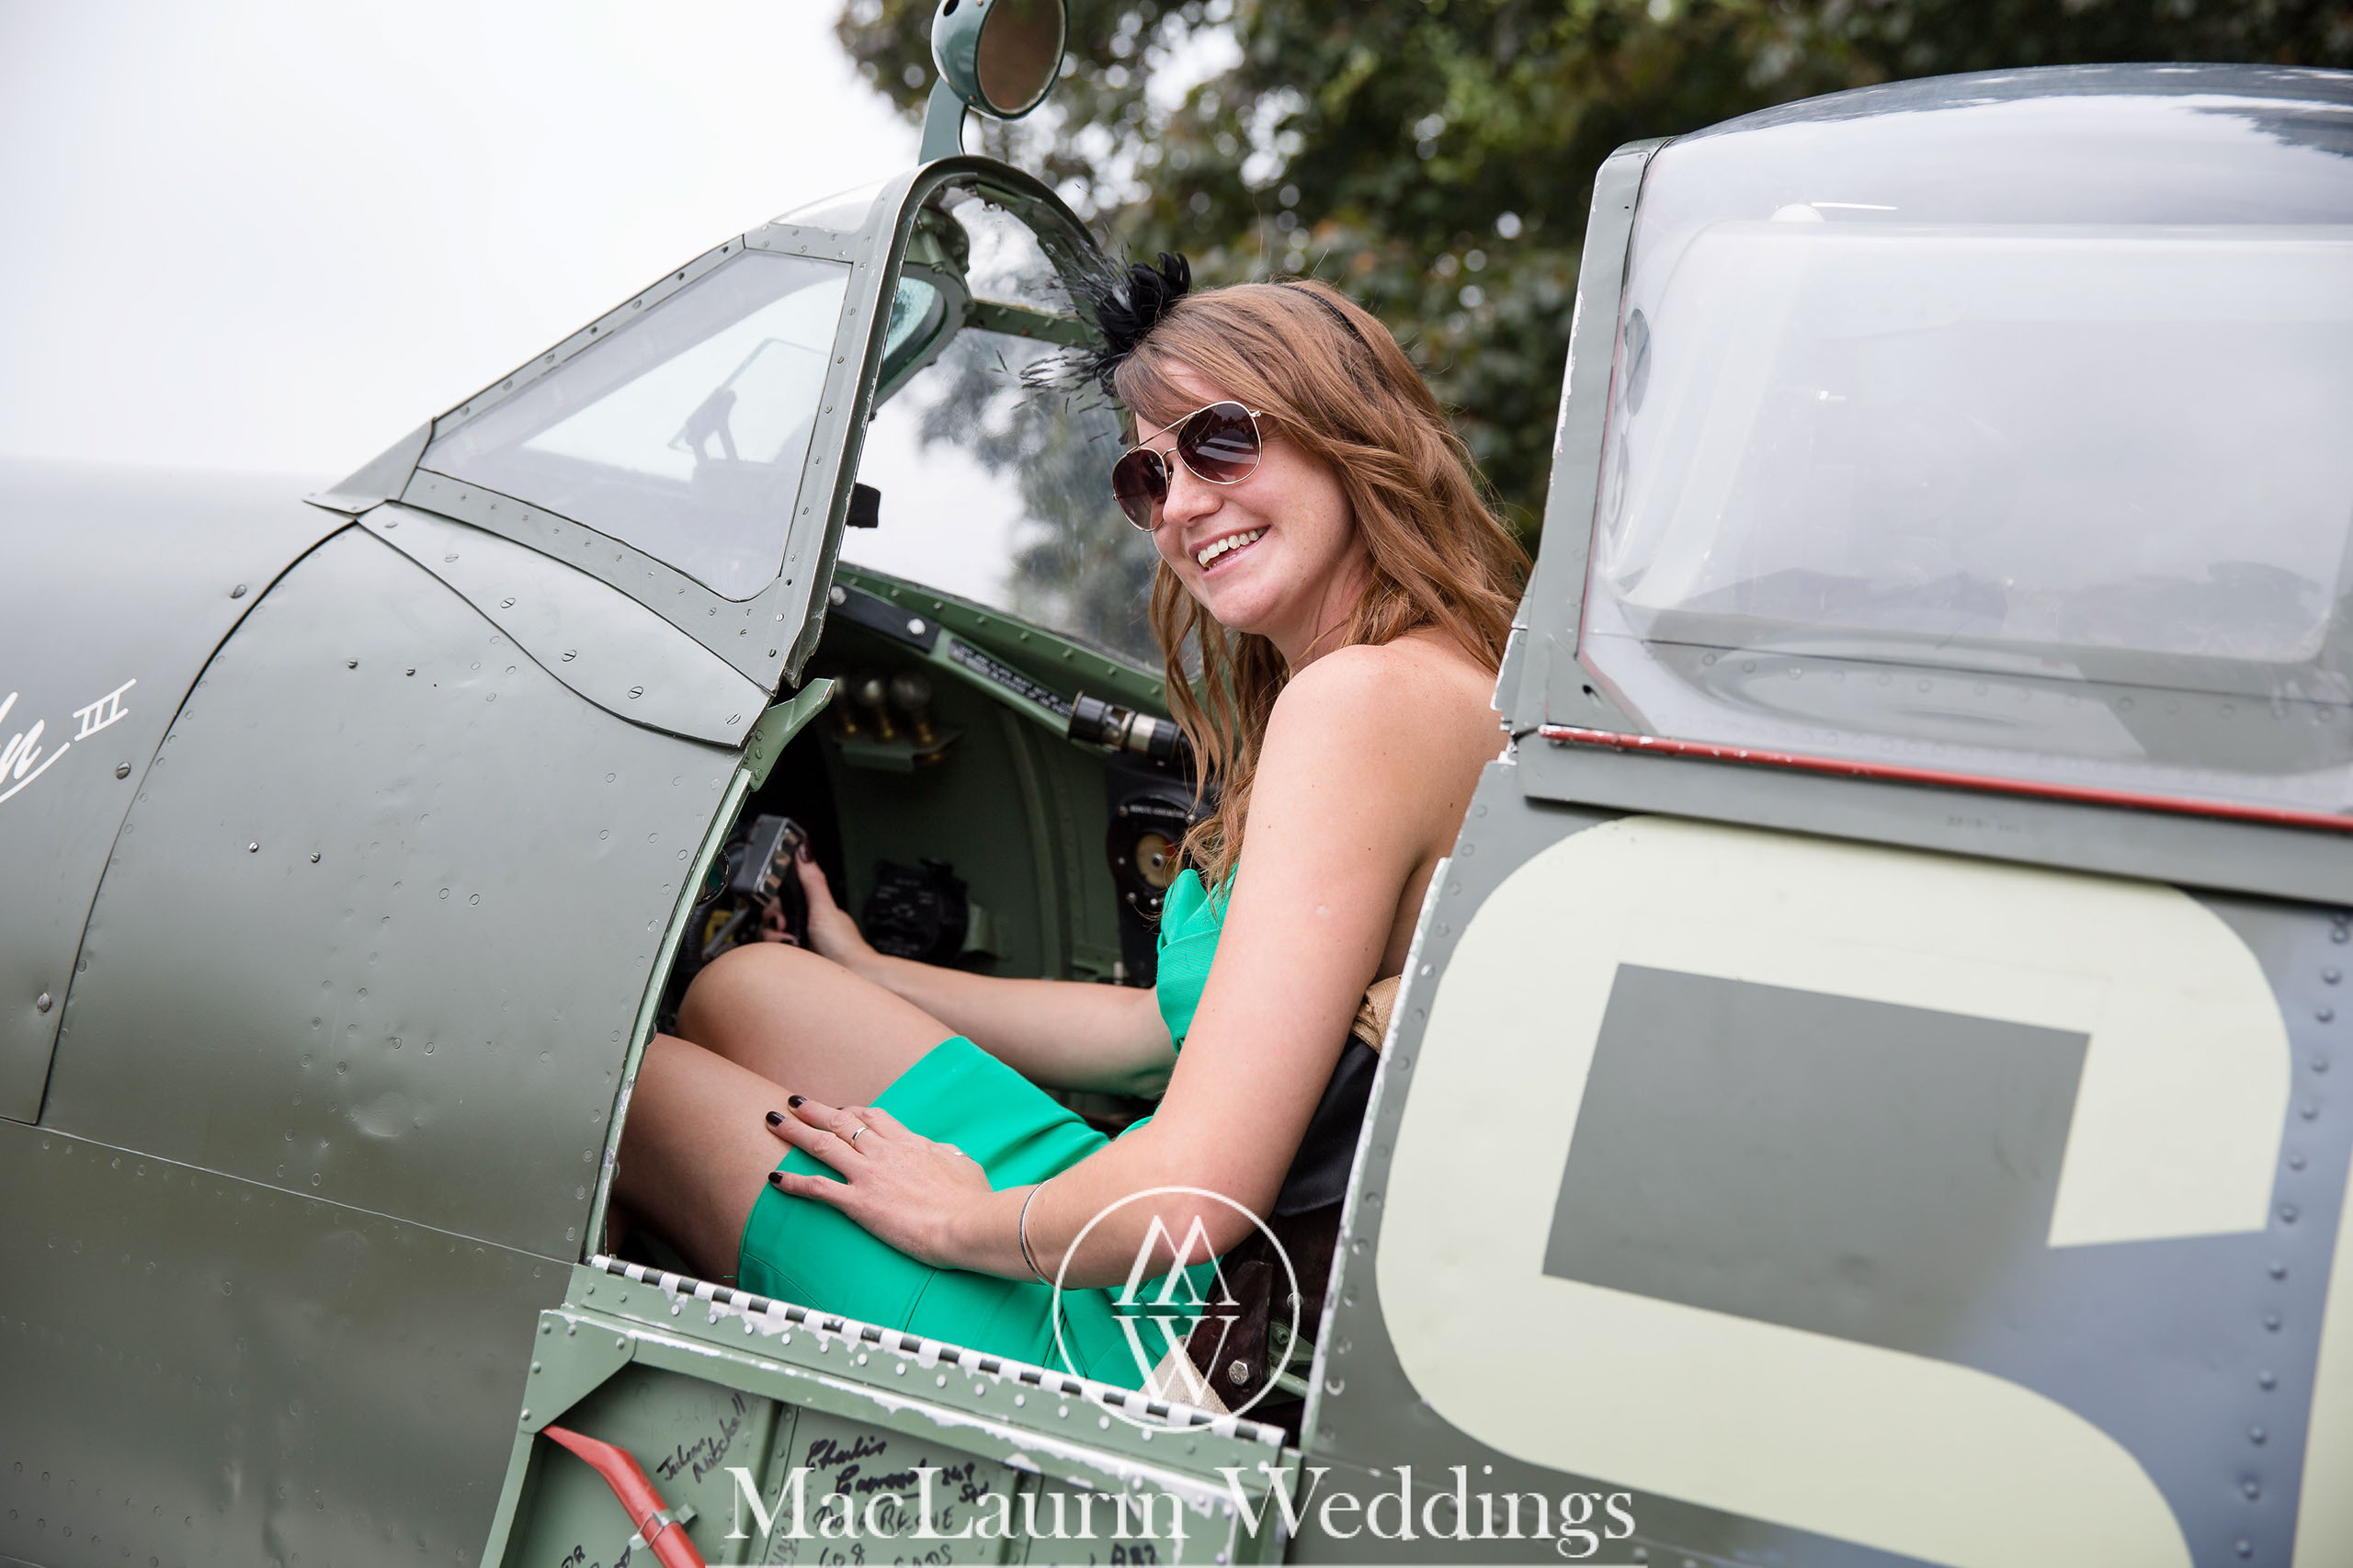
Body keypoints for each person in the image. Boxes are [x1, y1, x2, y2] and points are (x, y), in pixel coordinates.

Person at [614, 256, 1527, 1391]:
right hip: (1181, 1232)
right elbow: (1162, 1030)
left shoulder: (1357, 704)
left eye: (1222, 440)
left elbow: (1193, 1193)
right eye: (1148, 474)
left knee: (639, 1099)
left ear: (1348, 432)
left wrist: (958, 1217)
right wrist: (867, 966)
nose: (1179, 506)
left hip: (1181, 1328)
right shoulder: (1440, 676)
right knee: (744, 988)